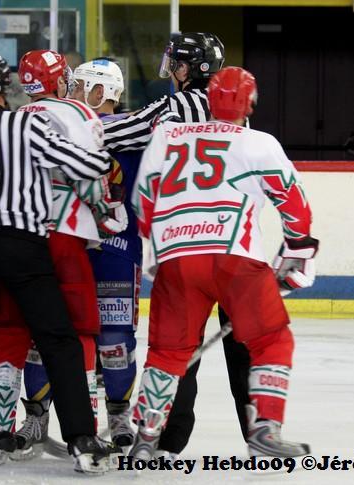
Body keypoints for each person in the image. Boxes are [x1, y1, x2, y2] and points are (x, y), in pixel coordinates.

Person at [130, 66, 317, 460]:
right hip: (237, 259)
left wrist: (160, 247)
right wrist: (297, 250)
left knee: (168, 352)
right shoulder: (259, 142)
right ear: (250, 104)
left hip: (178, 260)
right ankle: (264, 428)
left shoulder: (168, 135)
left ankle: (146, 436)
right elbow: (293, 203)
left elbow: (143, 198)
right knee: (271, 340)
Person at [0, 51, 114, 474]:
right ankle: (83, 438)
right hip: (27, 242)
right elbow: (87, 166)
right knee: (61, 338)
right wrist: (100, 167)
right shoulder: (28, 124)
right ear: (6, 86)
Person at [100, 32, 254, 459]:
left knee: (177, 348)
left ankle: (168, 440)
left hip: (187, 244)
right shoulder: (239, 115)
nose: (171, 71)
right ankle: (259, 436)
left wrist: (65, 117)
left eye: (177, 64)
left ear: (191, 68)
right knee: (243, 349)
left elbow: (114, 132)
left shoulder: (173, 108)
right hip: (237, 248)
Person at [70, 58, 140, 449]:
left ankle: (116, 412)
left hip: (112, 249)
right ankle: (46, 413)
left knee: (113, 340)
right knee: (73, 337)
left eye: (80, 86)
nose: (72, 93)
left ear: (101, 92)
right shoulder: (68, 126)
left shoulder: (131, 132)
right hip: (86, 249)